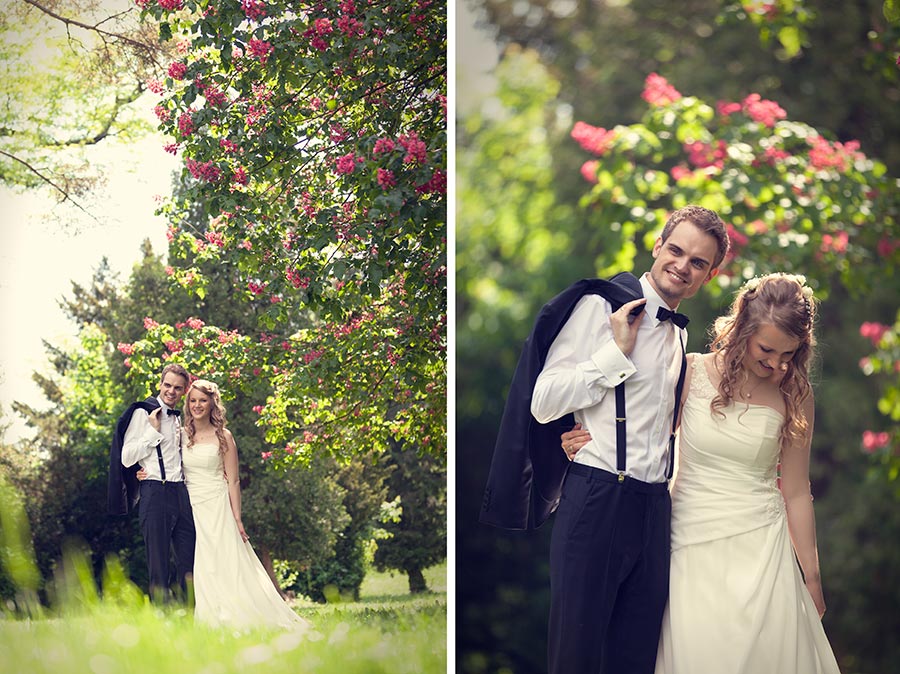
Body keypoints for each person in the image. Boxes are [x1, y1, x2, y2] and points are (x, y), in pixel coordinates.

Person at [482, 205, 730, 674]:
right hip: (596, 499)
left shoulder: (680, 340)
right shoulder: (600, 306)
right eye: (675, 250)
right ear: (657, 247)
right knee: (577, 657)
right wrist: (614, 353)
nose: (682, 265)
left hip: (655, 510)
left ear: (709, 274)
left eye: (698, 262)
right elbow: (544, 399)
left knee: (635, 659)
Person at [562, 273, 841, 673]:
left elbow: (796, 491)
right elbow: (644, 434)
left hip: (762, 550)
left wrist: (811, 578)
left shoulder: (795, 395)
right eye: (767, 350)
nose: (777, 364)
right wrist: (580, 441)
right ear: (743, 326)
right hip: (687, 544)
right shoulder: (690, 371)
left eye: (789, 355)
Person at [142, 378, 308, 630]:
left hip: (217, 504)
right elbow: (165, 461)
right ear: (188, 404)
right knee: (201, 562)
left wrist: (237, 518)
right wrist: (142, 471)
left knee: (224, 559)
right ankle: (206, 614)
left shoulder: (224, 437)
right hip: (190, 506)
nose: (197, 405)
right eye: (194, 400)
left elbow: (234, 480)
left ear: (212, 404)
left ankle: (233, 612)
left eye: (203, 401)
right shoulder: (181, 434)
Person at [110, 363, 196, 602]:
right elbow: (126, 458)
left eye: (177, 388)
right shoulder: (142, 413)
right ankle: (162, 620)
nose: (171, 391)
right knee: (158, 564)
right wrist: (152, 433)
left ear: (184, 391)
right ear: (160, 384)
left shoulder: (182, 418)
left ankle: (188, 616)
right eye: (167, 385)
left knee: (188, 562)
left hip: (181, 493)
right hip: (155, 492)